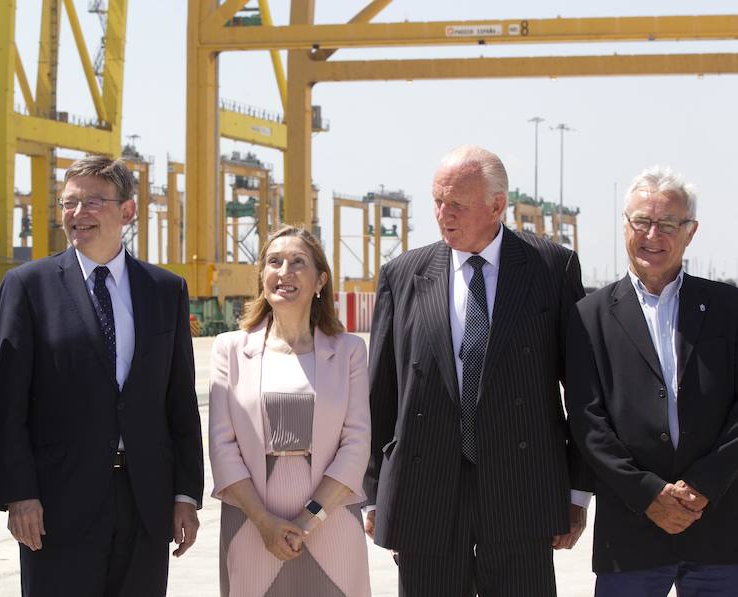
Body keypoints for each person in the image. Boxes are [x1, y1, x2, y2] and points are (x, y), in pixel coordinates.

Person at [364, 145, 593, 596]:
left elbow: (583, 389)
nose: (442, 214)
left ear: (496, 205)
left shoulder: (551, 267)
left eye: (457, 205)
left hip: (522, 489)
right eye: (437, 200)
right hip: (426, 490)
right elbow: (381, 393)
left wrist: (576, 491)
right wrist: (375, 490)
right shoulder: (401, 275)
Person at [0, 155, 204, 597]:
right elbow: (9, 404)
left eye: (92, 202)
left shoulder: (166, 290)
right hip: (55, 506)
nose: (77, 214)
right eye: (69, 203)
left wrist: (186, 495)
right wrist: (19, 493)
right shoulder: (29, 286)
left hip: (145, 502)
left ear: (127, 211)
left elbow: (179, 402)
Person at [565, 166, 738, 596]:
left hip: (719, 526)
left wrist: (703, 486)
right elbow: (587, 420)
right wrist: (647, 494)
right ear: (626, 226)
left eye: (667, 224)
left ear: (691, 232)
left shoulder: (728, 307)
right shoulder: (589, 316)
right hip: (631, 529)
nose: (652, 235)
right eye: (641, 221)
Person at [209, 225, 372, 596]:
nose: (285, 271)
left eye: (298, 262)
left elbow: (357, 442)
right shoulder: (229, 349)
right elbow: (222, 445)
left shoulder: (349, 351)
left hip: (331, 519)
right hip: (251, 521)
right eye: (274, 262)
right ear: (262, 277)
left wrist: (307, 521)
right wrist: (264, 522)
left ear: (320, 280)